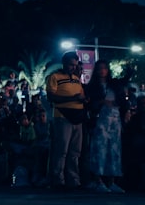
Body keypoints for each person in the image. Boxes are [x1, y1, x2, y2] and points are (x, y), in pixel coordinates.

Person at [84, 60, 132, 193]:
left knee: (114, 150)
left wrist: (129, 68)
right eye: (99, 68)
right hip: (100, 120)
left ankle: (111, 181)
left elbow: (125, 83)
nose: (102, 71)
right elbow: (89, 103)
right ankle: (97, 180)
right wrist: (101, 102)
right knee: (99, 149)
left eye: (104, 68)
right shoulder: (92, 87)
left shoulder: (115, 84)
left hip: (115, 119)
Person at [46, 51, 88, 191]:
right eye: (71, 65)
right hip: (62, 115)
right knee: (61, 149)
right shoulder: (55, 77)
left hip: (77, 116)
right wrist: (73, 98)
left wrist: (82, 99)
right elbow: (52, 97)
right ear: (64, 63)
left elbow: (81, 94)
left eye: (75, 65)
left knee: (75, 151)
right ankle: (58, 180)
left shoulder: (76, 79)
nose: (73, 67)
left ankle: (73, 180)